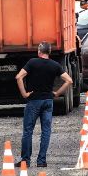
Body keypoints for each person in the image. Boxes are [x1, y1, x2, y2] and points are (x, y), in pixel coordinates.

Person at [16, 41, 72, 169]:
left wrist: (24, 94)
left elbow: (19, 77)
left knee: (28, 131)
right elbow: (69, 80)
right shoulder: (55, 65)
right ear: (50, 52)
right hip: (48, 101)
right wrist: (57, 93)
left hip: (34, 101)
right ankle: (41, 161)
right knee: (46, 131)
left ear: (39, 52)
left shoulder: (32, 63)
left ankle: (25, 161)